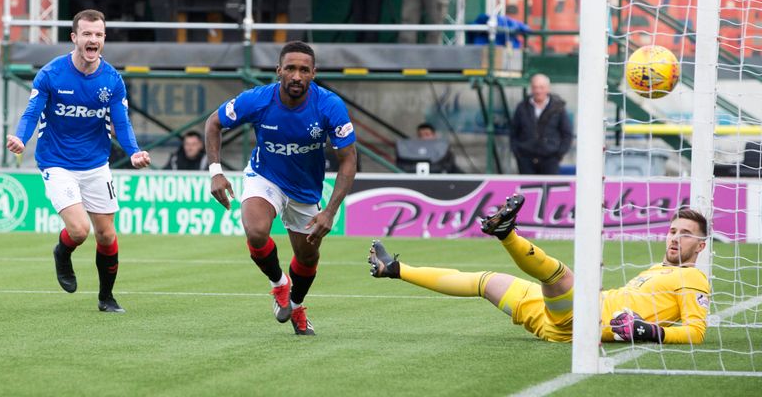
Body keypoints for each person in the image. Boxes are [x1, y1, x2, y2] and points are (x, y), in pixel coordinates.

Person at [369, 193, 710, 344]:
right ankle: (396, 268)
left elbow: (696, 333)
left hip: (583, 322)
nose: (675, 239)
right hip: (557, 322)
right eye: (672, 231)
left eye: (685, 234)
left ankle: (506, 233)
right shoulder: (658, 269)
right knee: (485, 281)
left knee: (558, 274)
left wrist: (651, 332)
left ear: (701, 245)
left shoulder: (693, 278)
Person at [205, 41, 358, 336]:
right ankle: (279, 284)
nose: (296, 76)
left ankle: (297, 305)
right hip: (266, 176)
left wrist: (330, 210)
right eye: (290, 68)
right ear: (279, 71)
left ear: (314, 73)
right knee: (256, 230)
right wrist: (216, 172)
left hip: (306, 188)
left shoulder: (330, 105)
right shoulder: (258, 100)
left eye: (303, 70)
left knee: (308, 257)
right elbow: (213, 123)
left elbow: (349, 159)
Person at [6, 9, 151, 313]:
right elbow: (32, 111)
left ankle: (106, 298)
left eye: (98, 34)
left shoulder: (111, 79)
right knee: (79, 230)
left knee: (107, 234)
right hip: (57, 163)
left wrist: (134, 150)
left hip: (96, 163)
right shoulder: (51, 74)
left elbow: (121, 123)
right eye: (87, 33)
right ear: (74, 38)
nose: (93, 39)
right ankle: (62, 252)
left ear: (103, 39)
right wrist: (21, 138)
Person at [510, 74, 573, 175]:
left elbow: (567, 133)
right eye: (535, 87)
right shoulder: (522, 107)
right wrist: (518, 153)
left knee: (550, 189)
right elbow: (514, 131)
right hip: (526, 159)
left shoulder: (558, 108)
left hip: (550, 160)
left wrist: (559, 154)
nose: (538, 91)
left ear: (548, 89)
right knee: (527, 188)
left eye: (541, 87)